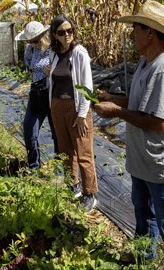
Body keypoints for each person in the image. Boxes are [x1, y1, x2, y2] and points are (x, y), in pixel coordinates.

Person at [93, 0, 164, 270]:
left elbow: (159, 121)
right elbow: (141, 101)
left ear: (150, 33)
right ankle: (143, 258)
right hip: (143, 162)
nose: (131, 33)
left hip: (161, 166)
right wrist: (114, 98)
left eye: (136, 28)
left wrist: (115, 111)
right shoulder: (146, 62)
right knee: (144, 217)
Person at [47, 14, 98, 211]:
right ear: (55, 35)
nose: (67, 35)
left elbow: (87, 85)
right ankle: (72, 184)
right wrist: (48, 74)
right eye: (62, 32)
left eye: (70, 31)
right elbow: (54, 80)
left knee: (83, 151)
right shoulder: (53, 54)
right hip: (57, 106)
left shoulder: (79, 53)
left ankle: (89, 192)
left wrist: (82, 113)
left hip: (76, 108)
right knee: (65, 150)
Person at [16, 21, 58, 169]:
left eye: (36, 40)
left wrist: (52, 72)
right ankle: (34, 166)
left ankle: (61, 168)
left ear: (43, 35)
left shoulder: (54, 49)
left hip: (52, 93)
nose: (33, 43)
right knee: (29, 129)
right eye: (30, 41)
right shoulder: (30, 49)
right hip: (37, 91)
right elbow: (29, 66)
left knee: (57, 134)